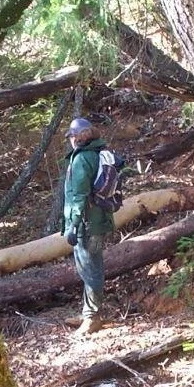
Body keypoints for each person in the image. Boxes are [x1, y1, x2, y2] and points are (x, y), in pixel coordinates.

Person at [60, 117, 115, 335]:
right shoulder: (98, 153)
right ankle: (88, 312)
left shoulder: (82, 159)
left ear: (79, 137)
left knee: (90, 269)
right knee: (91, 267)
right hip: (99, 220)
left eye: (72, 136)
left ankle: (92, 318)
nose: (70, 140)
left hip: (86, 224)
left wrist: (73, 226)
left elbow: (78, 196)